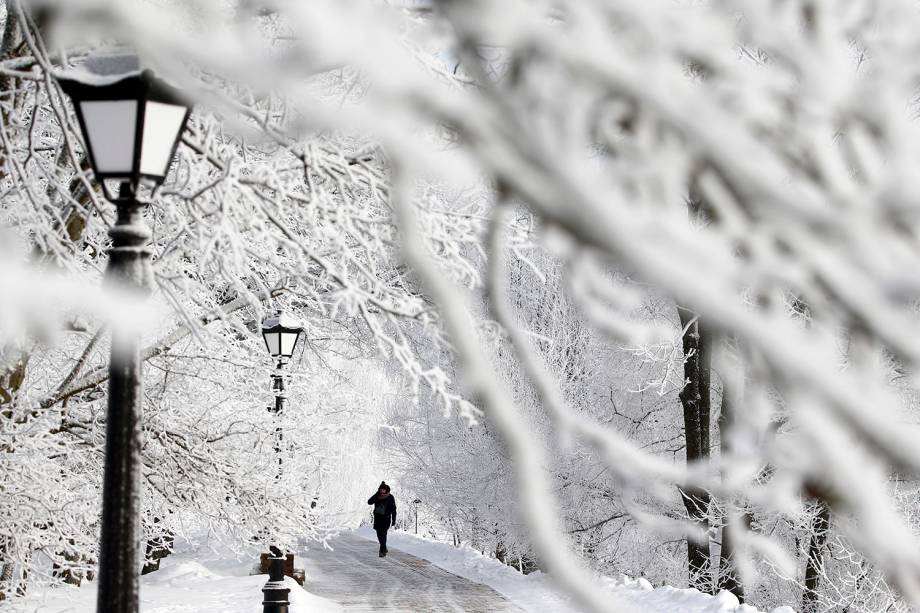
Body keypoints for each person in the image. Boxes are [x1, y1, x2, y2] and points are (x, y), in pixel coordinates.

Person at [367, 481, 397, 557]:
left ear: (386, 490)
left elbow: (393, 509)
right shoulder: (377, 496)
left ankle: (382, 551)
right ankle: (384, 548)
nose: (382, 491)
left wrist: (394, 520)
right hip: (378, 518)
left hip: (386, 519)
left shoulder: (390, 497)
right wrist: (376, 494)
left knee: (383, 534)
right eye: (380, 489)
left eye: (383, 489)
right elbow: (369, 502)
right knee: (379, 535)